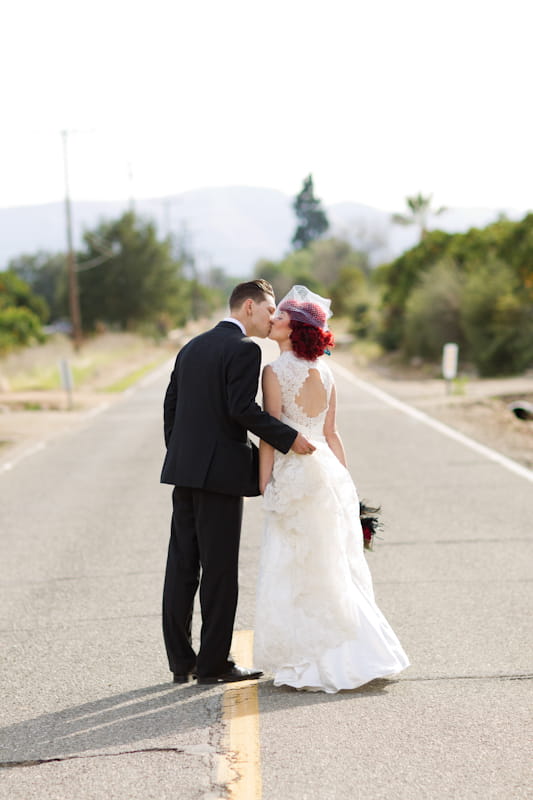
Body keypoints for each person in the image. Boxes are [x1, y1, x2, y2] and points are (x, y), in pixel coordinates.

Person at [254, 285, 410, 693]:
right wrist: (347, 482)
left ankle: (313, 659)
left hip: (295, 474)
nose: (274, 321)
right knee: (332, 563)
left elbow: (272, 433)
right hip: (328, 471)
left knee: (299, 565)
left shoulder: (273, 372)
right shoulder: (326, 371)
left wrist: (263, 482)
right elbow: (331, 433)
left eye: (281, 317)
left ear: (295, 328)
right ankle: (357, 651)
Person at [161, 279, 316, 685]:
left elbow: (171, 406)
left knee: (181, 566)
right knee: (219, 572)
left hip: (184, 472)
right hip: (219, 477)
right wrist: (288, 437)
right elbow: (240, 409)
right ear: (248, 307)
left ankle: (182, 661)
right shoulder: (245, 349)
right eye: (269, 311)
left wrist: (180, 455)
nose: (271, 319)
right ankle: (213, 664)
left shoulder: (191, 346)